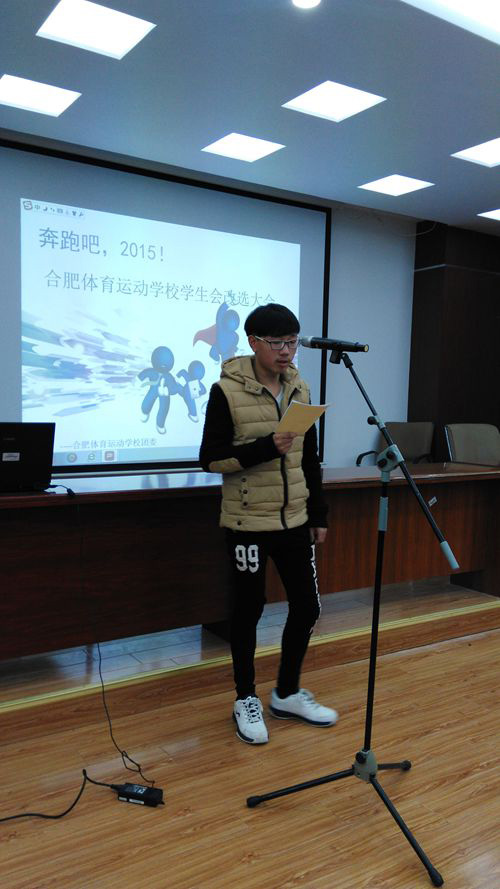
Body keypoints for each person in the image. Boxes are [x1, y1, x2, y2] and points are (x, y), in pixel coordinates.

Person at [199, 303, 338, 744]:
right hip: (247, 522)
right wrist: (265, 448)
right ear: (253, 342)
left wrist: (318, 513)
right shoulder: (225, 391)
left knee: (308, 607)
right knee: (248, 610)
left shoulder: (300, 387)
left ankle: (287, 692)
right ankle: (245, 698)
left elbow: (310, 459)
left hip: (294, 519)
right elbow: (210, 459)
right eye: (277, 343)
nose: (286, 352)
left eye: (292, 342)